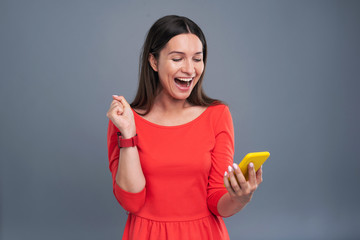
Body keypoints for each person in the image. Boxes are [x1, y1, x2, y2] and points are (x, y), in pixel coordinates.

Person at [106, 15, 263, 240]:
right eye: (178, 58)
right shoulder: (124, 120)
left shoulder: (217, 115)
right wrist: (129, 135)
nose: (190, 69)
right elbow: (131, 201)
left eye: (197, 59)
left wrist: (240, 197)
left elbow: (217, 202)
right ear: (153, 61)